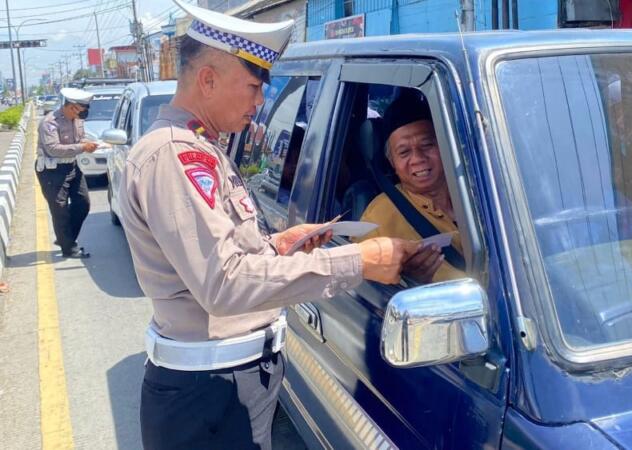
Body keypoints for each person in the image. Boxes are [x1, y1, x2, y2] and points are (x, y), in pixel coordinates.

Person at [119, 2, 419, 449]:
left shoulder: (201, 147)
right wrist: (360, 260)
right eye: (254, 87)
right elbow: (223, 284)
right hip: (210, 396)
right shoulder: (176, 157)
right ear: (208, 79)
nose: (261, 103)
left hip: (225, 385)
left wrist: (277, 246)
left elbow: (223, 253)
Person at [357, 91, 465, 283]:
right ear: (392, 162)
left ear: (444, 147)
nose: (417, 159)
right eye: (404, 152)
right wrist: (410, 281)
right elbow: (367, 293)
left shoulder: (478, 191)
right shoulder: (378, 219)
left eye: (427, 145)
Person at [36, 87, 98, 258]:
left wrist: (90, 144)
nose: (85, 112)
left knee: (83, 203)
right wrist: (82, 147)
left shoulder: (77, 120)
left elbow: (79, 139)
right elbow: (53, 149)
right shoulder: (50, 123)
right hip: (52, 170)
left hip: (71, 166)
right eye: (83, 108)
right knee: (60, 209)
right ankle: (68, 247)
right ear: (72, 107)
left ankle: (65, 238)